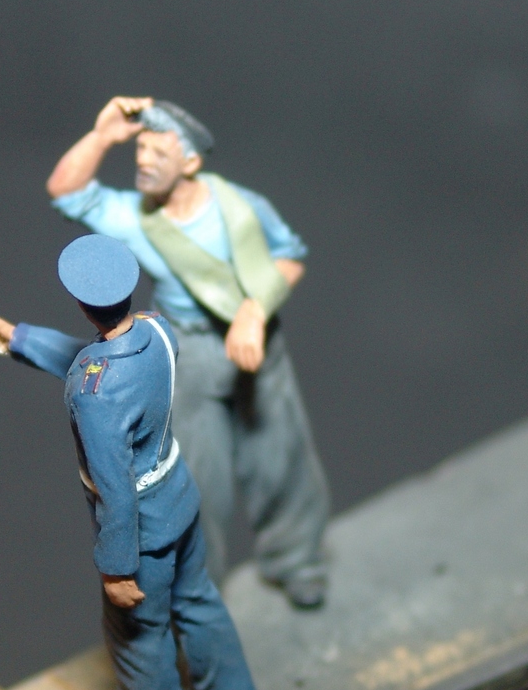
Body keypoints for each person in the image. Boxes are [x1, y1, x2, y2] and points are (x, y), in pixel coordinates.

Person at [0, 234, 260, 690]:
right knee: (198, 601)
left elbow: (115, 485)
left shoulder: (94, 394)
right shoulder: (157, 328)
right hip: (179, 497)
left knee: (137, 640)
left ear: (82, 304)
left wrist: (117, 567)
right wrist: (18, 337)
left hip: (142, 530)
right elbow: (96, 362)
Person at [45, 97, 331, 608]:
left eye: (159, 153)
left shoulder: (240, 208)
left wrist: (254, 311)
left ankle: (297, 560)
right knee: (195, 473)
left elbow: (290, 257)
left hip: (256, 341)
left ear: (191, 162)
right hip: (188, 353)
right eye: (141, 150)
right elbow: (66, 191)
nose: (143, 161)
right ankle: (200, 585)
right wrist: (103, 137)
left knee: (280, 457)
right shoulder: (137, 218)